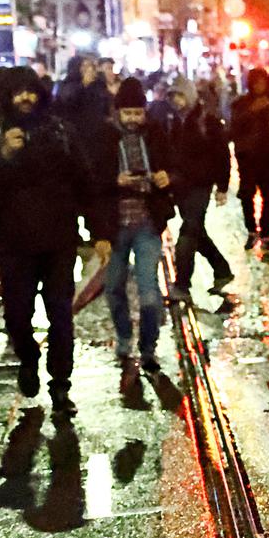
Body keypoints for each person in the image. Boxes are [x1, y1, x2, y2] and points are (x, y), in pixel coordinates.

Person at [0, 66, 106, 417]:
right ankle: (28, 357)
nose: (25, 98)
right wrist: (5, 156)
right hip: (14, 244)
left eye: (31, 91)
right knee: (17, 314)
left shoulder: (60, 132)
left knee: (61, 315)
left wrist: (101, 231)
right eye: (18, 92)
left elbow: (85, 182)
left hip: (58, 240)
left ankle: (61, 386)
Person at [97, 77, 175, 380]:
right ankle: (124, 336)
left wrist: (166, 178)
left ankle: (148, 347)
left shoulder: (156, 134)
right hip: (115, 225)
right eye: (127, 113)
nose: (132, 119)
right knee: (114, 288)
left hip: (146, 223)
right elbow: (91, 181)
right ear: (118, 113)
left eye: (137, 113)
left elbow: (174, 167)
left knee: (150, 293)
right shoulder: (104, 137)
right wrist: (115, 182)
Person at [164, 77, 233, 300]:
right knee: (196, 232)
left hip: (201, 185)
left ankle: (182, 285)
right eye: (173, 96)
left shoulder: (208, 121)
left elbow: (222, 155)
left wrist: (222, 186)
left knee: (187, 232)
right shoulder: (174, 121)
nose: (176, 100)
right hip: (181, 186)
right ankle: (222, 270)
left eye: (180, 95)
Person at [231, 67, 269, 250]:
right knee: (247, 195)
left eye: (262, 82)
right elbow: (233, 128)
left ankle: (266, 233)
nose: (259, 86)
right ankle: (251, 230)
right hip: (248, 158)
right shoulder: (241, 104)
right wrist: (251, 111)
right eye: (256, 83)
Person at [52, 56, 113, 151]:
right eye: (85, 66)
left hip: (98, 134)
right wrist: (84, 84)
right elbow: (67, 102)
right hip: (75, 135)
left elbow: (104, 104)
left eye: (91, 66)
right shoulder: (65, 85)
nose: (90, 69)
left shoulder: (97, 85)